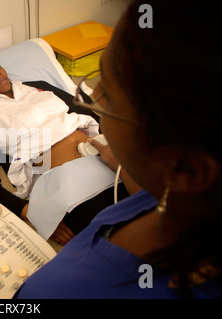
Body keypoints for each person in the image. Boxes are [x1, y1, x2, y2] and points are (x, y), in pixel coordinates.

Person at [14, 0, 222, 298]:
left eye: (107, 95)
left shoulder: (61, 290)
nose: (92, 96)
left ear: (185, 168)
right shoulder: (165, 194)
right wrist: (21, 206)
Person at [0, 55, 129, 245]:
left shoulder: (39, 86)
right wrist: (33, 213)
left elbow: (86, 112)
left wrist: (118, 145)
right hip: (71, 187)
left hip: (106, 159)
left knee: (152, 206)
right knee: (118, 238)